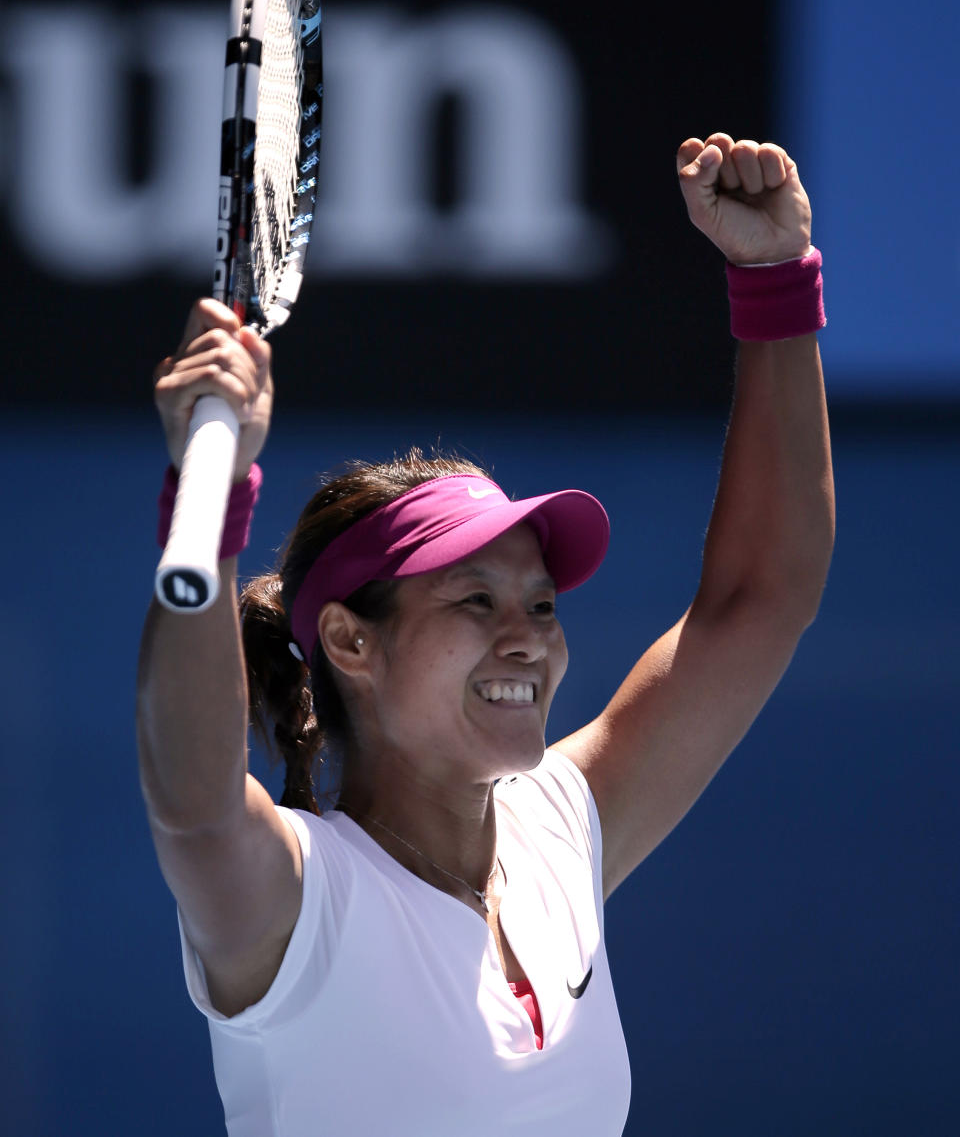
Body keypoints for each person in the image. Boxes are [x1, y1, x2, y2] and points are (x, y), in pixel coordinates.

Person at [138, 133, 834, 1136]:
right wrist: (213, 505)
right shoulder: (294, 903)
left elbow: (762, 596)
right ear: (349, 641)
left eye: (541, 605)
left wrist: (775, 284)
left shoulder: (558, 830)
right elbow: (195, 801)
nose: (528, 640)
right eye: (475, 602)